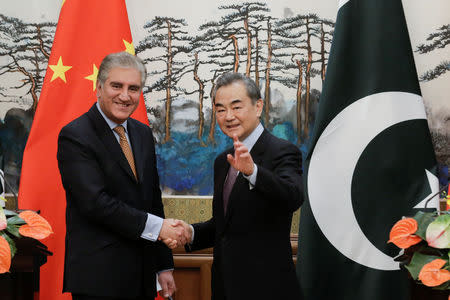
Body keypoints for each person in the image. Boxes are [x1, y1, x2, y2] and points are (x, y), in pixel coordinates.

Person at [57, 52, 185, 300]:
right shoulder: (75, 135)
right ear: (99, 87)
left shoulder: (142, 134)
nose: (125, 96)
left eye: (134, 88)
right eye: (117, 86)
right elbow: (95, 203)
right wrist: (160, 228)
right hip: (99, 279)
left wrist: (163, 265)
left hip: (141, 275)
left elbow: (152, 200)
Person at [171, 72, 304, 300]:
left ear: (258, 106)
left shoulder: (282, 151)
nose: (228, 116)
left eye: (236, 107)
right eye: (221, 109)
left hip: (268, 288)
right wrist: (190, 232)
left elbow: (293, 196)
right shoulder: (222, 161)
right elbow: (224, 226)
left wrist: (253, 172)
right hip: (225, 288)